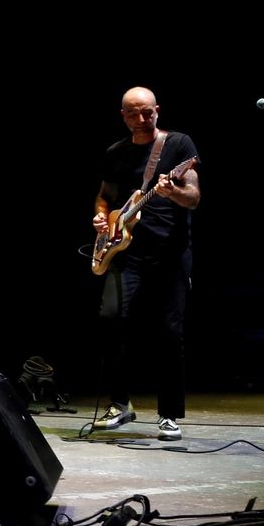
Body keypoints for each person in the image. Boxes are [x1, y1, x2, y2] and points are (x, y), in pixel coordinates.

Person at [90, 86, 200, 441]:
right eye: (134, 114)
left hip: (170, 251)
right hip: (126, 250)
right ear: (123, 116)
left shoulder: (179, 145)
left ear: (157, 111)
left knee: (169, 331)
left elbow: (194, 197)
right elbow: (105, 198)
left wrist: (174, 192)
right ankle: (120, 404)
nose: (141, 119)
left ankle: (168, 414)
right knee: (110, 319)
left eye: (147, 113)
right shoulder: (115, 153)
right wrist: (101, 219)